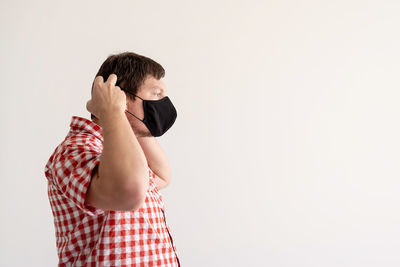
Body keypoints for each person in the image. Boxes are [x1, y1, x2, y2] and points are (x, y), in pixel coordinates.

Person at [44, 52, 181, 266]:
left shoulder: (126, 153)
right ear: (120, 95)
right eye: (156, 94)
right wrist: (113, 111)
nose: (164, 103)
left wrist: (128, 124)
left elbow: (162, 176)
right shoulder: (74, 150)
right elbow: (130, 192)